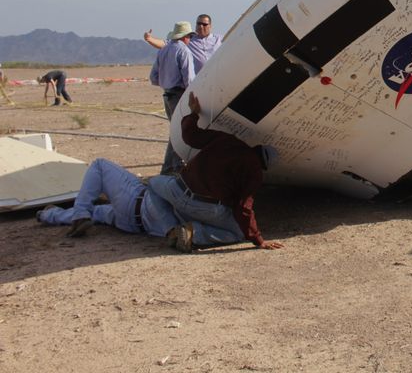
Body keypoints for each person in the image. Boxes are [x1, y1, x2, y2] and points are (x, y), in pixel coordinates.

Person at [147, 92, 284, 252]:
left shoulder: (227, 140)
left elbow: (190, 136)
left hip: (177, 190)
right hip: (206, 208)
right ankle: (194, 234)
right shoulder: (254, 173)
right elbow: (243, 208)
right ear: (264, 166)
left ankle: (170, 229)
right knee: (238, 233)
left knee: (152, 184)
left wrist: (194, 113)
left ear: (256, 147)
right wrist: (258, 239)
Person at [36, 158, 179, 239]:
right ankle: (49, 214)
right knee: (98, 212)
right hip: (142, 226)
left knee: (100, 165)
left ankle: (79, 213)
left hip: (136, 203)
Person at [150, 22, 196, 175]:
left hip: (167, 94)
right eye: (189, 36)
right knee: (179, 131)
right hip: (178, 94)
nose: (190, 39)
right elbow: (189, 78)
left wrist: (166, 82)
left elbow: (153, 77)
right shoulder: (184, 51)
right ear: (185, 37)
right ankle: (172, 167)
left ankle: (172, 166)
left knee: (175, 130)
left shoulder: (163, 51)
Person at [145, 14, 222, 74]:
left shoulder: (219, 39)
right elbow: (165, 44)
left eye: (204, 24)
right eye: (199, 24)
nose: (201, 26)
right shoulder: (188, 39)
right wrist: (149, 39)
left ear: (210, 26)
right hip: (197, 82)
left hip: (216, 78)